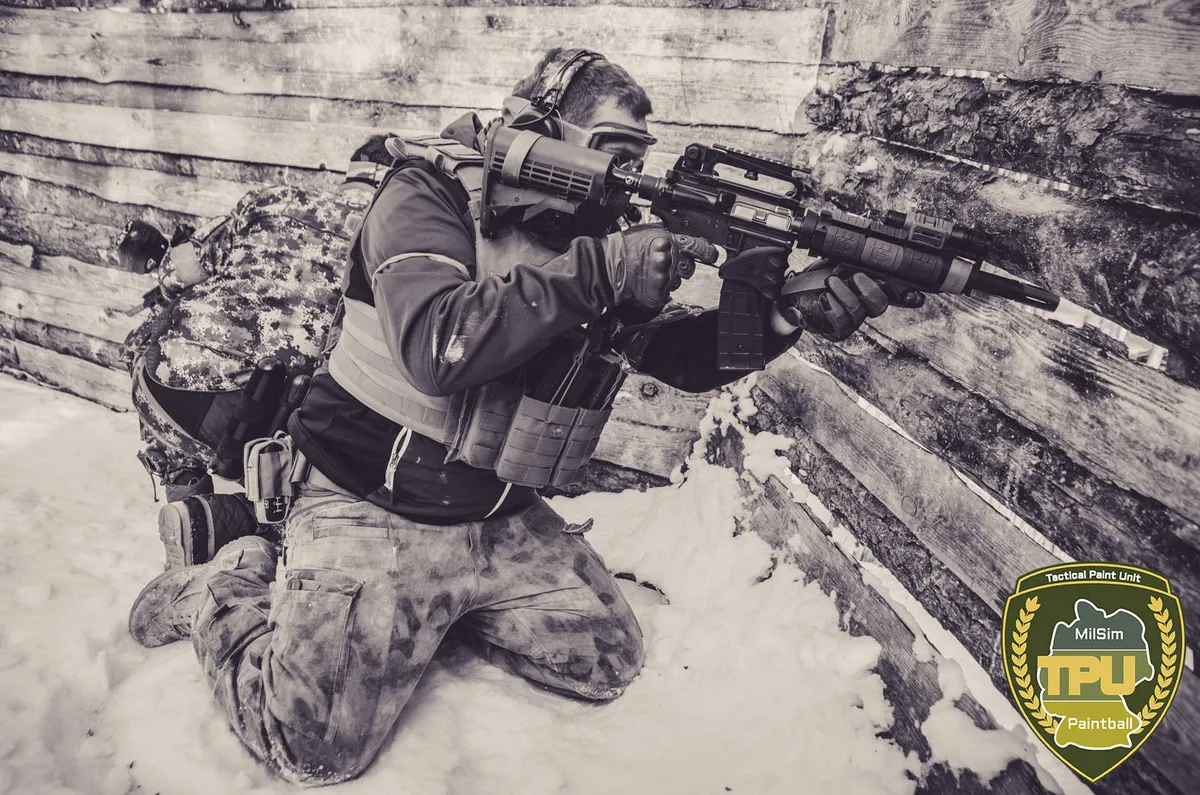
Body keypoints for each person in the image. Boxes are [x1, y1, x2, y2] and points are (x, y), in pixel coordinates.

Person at [127, 48, 900, 786]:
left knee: (607, 658)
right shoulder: (426, 193)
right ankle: (223, 579)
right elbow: (438, 346)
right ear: (538, 128)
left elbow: (679, 359)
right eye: (613, 149)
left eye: (638, 155)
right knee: (310, 744)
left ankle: (422, 614)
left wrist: (784, 317)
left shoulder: (589, 236)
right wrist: (601, 271)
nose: (628, 177)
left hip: (495, 514)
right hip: (365, 499)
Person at [120, 135, 395, 567]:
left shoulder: (271, 199)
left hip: (173, 397)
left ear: (351, 172)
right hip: (288, 424)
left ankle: (190, 507)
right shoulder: (393, 234)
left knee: (154, 347)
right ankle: (261, 528)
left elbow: (176, 271)